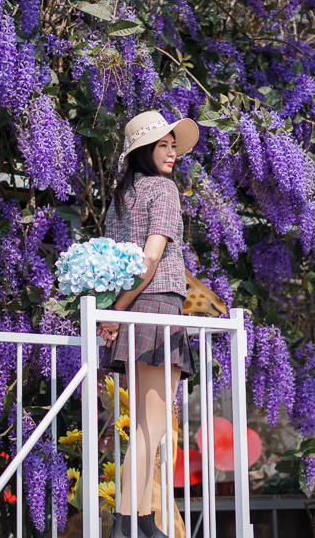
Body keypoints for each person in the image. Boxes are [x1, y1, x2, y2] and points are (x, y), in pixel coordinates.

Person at [98, 110, 199, 538]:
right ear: (143, 151)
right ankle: (126, 522)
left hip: (134, 308)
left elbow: (114, 263)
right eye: (163, 145)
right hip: (155, 310)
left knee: (145, 423)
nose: (172, 152)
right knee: (152, 426)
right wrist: (118, 312)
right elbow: (151, 258)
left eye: (173, 145)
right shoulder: (163, 190)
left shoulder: (120, 197)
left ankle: (142, 519)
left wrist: (114, 311)